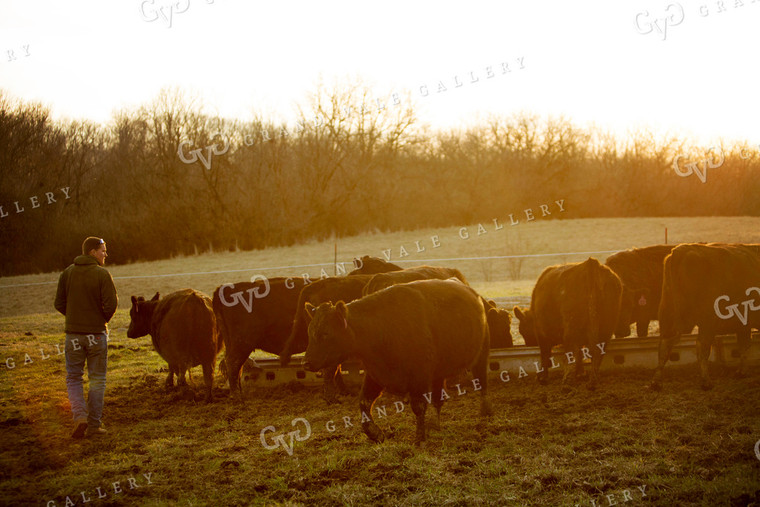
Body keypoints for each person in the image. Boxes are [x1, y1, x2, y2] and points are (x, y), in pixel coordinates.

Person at [54, 237, 118, 438]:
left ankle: (79, 416)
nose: (105, 254)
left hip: (72, 336)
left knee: (73, 377)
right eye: (102, 250)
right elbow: (111, 305)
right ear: (92, 252)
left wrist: (75, 319)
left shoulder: (67, 273)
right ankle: (94, 425)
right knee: (97, 379)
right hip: (97, 336)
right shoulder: (102, 274)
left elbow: (59, 303)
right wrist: (98, 321)